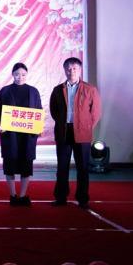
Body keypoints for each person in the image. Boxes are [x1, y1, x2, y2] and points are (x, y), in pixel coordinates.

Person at [49, 57, 102, 209]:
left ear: (80, 70)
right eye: (69, 68)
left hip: (82, 133)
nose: (71, 71)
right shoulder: (58, 90)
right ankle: (61, 197)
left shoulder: (90, 89)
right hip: (64, 132)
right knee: (62, 167)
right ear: (64, 70)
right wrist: (62, 123)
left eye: (75, 68)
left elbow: (96, 113)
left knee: (83, 167)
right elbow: (54, 110)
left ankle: (83, 199)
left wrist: (86, 126)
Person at [0, 63, 42, 206]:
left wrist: (39, 126)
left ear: (27, 75)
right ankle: (13, 195)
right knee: (10, 164)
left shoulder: (33, 91)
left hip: (28, 135)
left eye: (23, 74)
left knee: (26, 165)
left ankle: (22, 196)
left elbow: (38, 111)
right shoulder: (5, 91)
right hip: (10, 135)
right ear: (12, 75)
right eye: (17, 74)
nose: (20, 77)